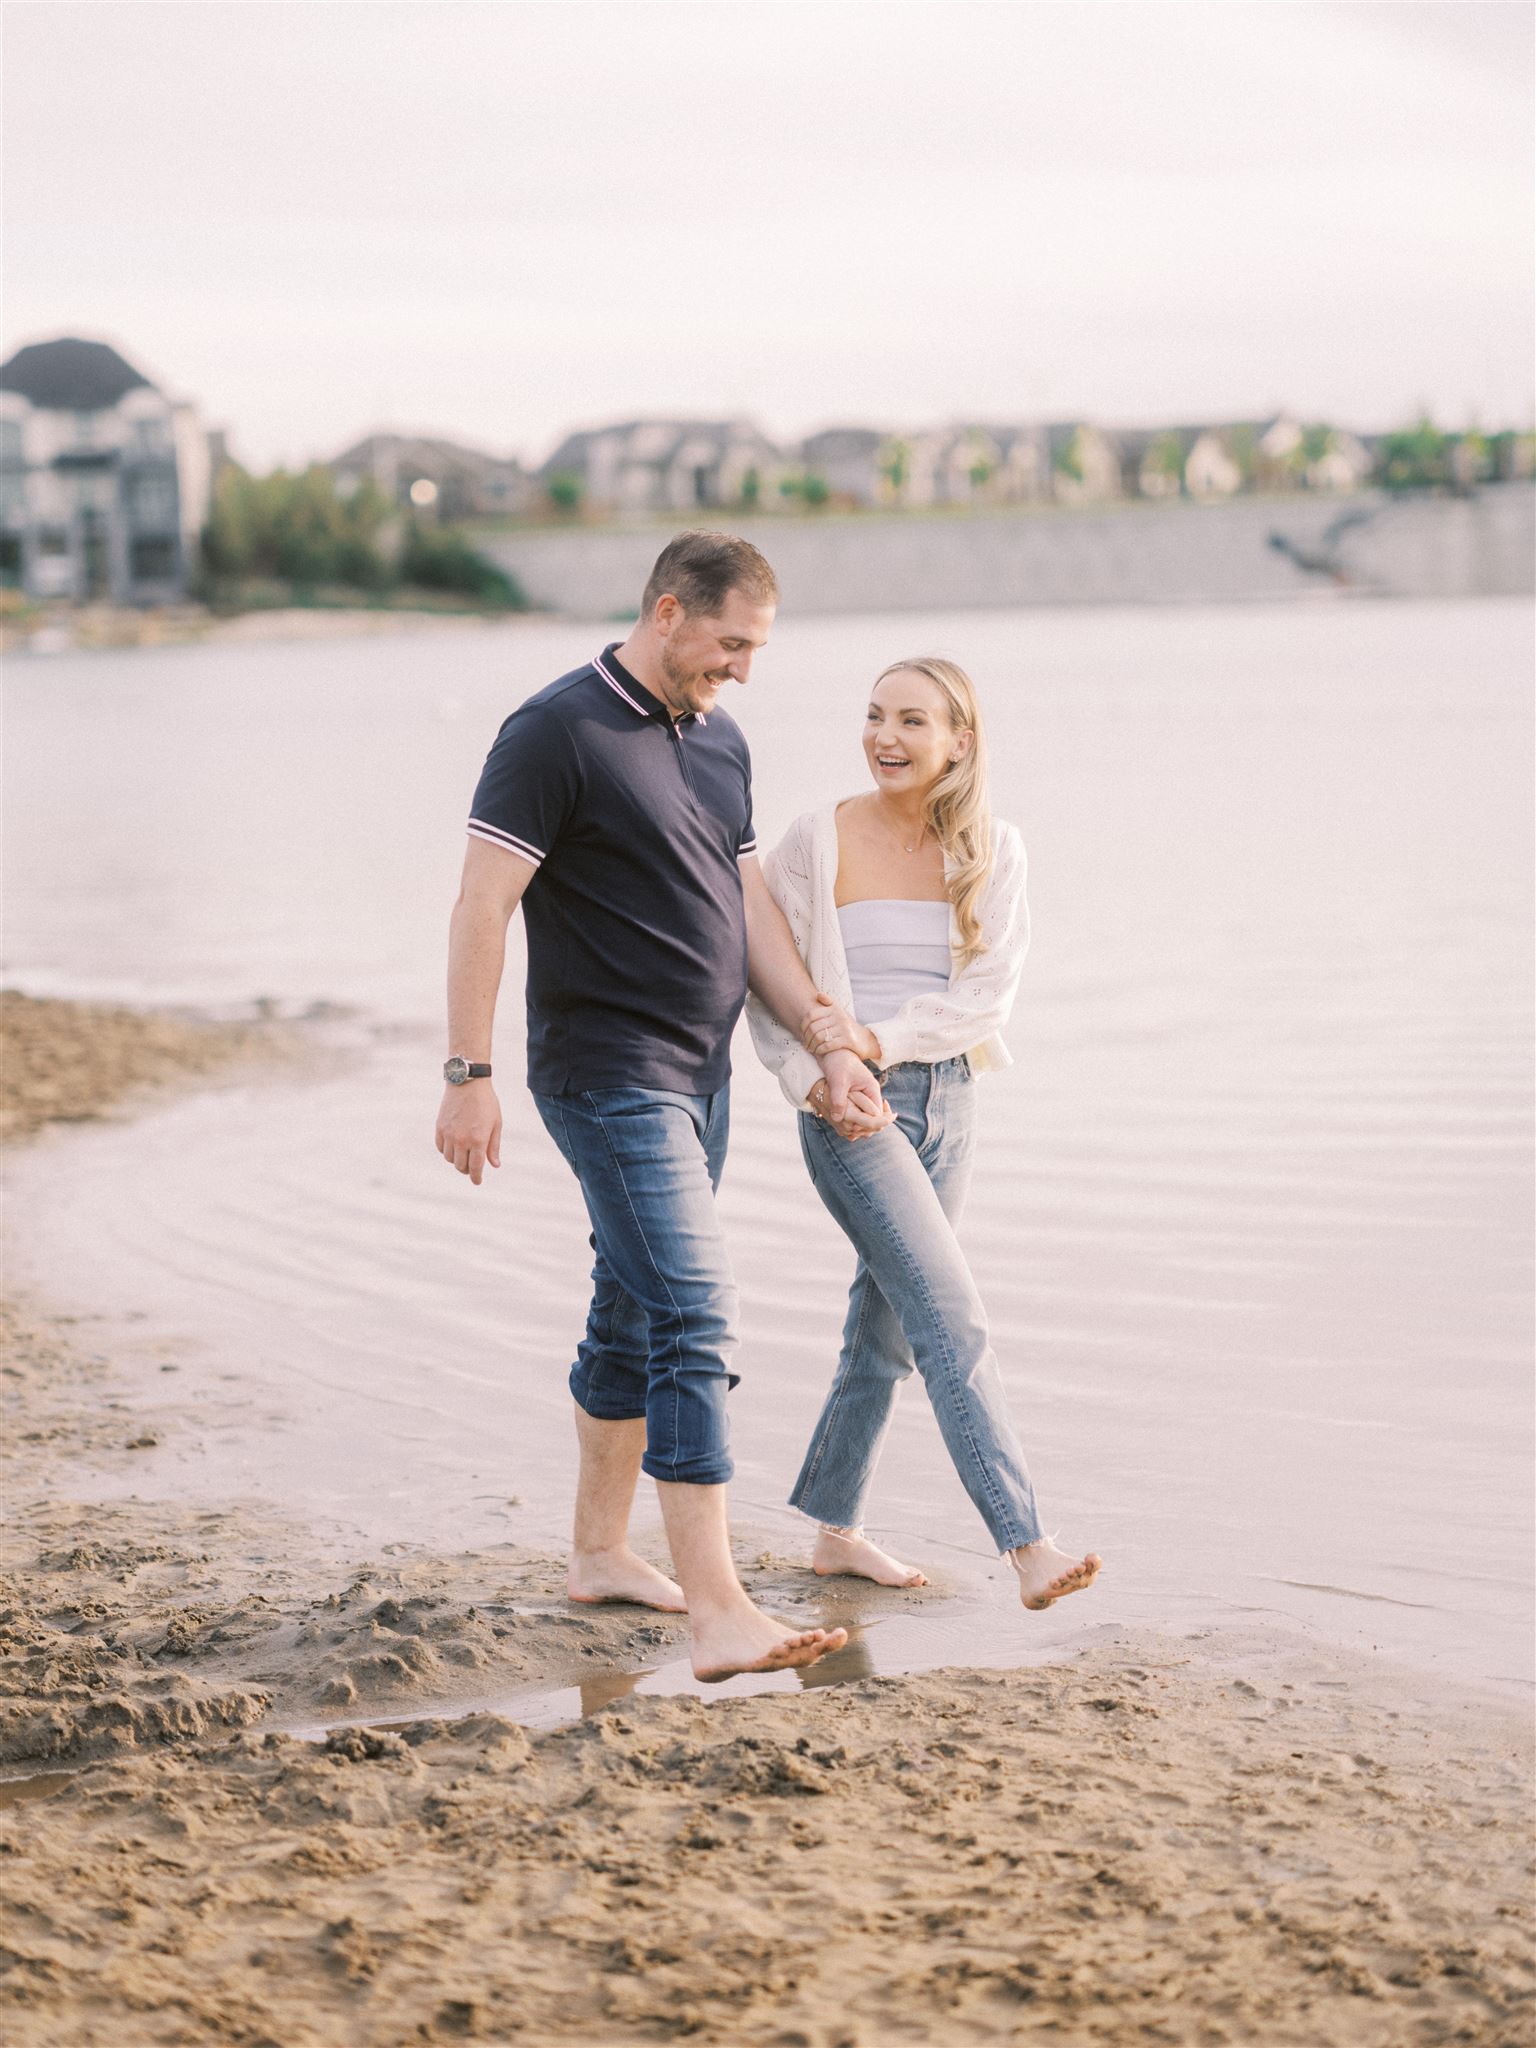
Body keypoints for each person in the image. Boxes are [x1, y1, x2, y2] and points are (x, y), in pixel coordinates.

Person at [434, 531, 885, 1682]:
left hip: (704, 1072)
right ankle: (720, 1607)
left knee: (633, 1308)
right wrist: (467, 1073)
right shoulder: (556, 731)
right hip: (604, 1070)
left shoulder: (721, 740)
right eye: (730, 644)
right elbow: (484, 904)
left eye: (756, 651)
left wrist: (828, 1038)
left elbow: (744, 910)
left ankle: (599, 1552)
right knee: (698, 1306)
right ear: (671, 611)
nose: (741, 669)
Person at [747, 655, 1102, 1610]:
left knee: (887, 1325)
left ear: (960, 742)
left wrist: (879, 1036)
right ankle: (1026, 1543)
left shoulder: (994, 847)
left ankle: (834, 1530)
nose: (885, 738)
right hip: (851, 1109)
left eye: (911, 721)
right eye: (873, 716)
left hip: (950, 1101)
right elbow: (767, 978)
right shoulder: (814, 840)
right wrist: (816, 1077)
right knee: (952, 1316)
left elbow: (985, 1001)